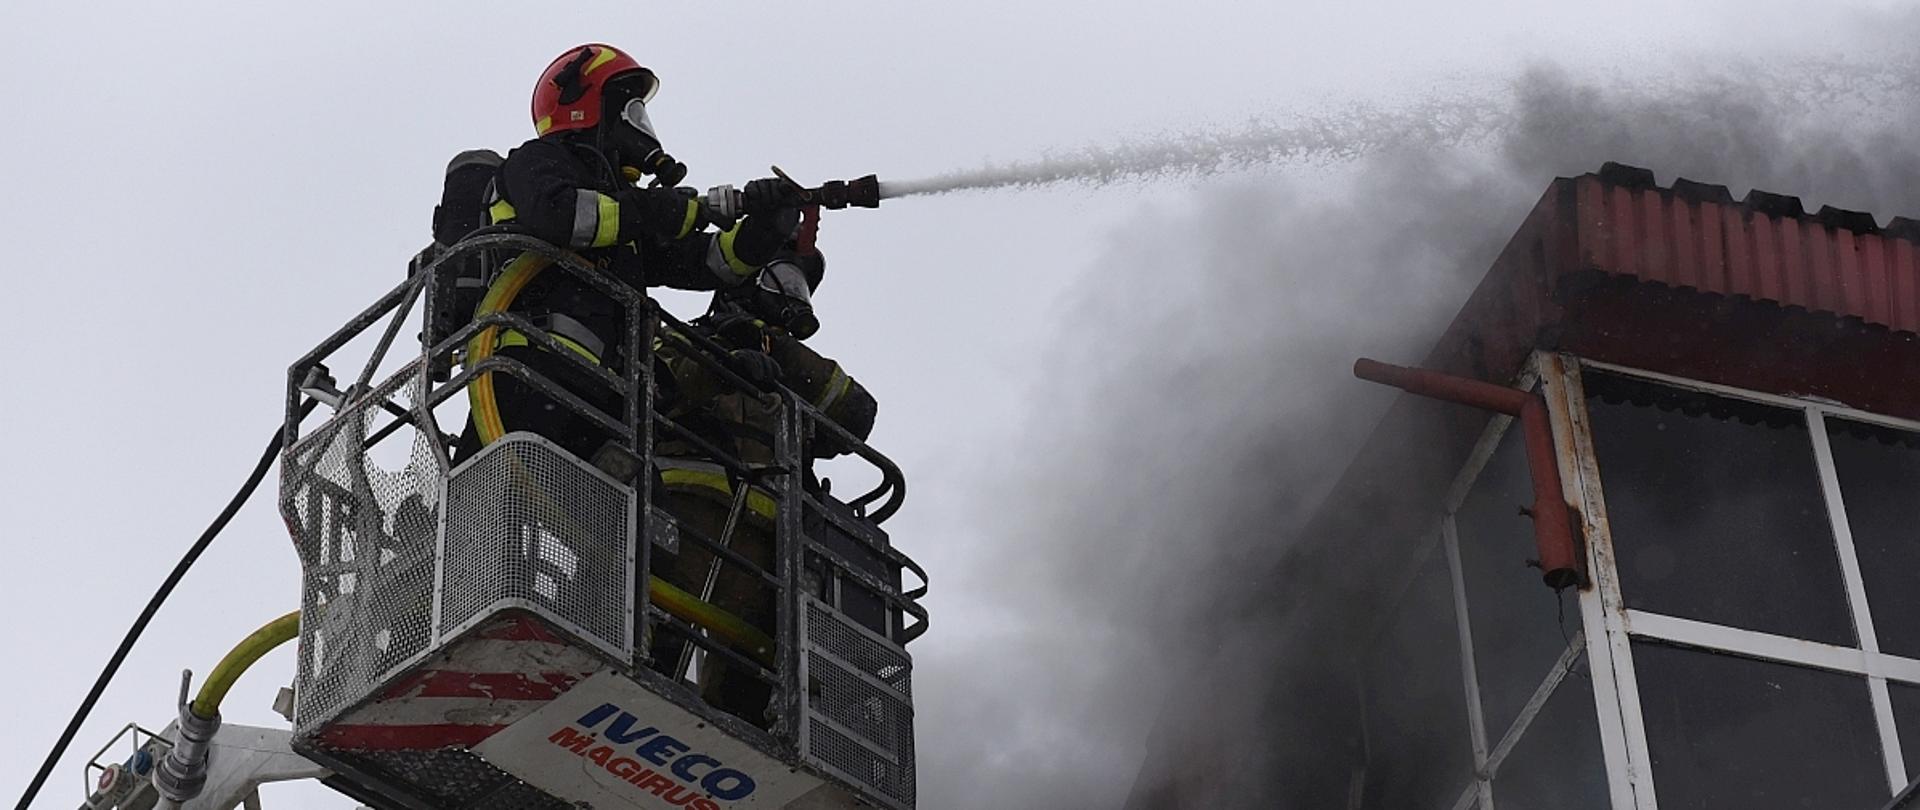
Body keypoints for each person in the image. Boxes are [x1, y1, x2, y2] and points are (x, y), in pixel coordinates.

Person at [451, 43, 804, 464]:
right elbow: (560, 216)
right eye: (630, 110)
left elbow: (710, 262)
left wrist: (765, 227)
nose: (639, 126)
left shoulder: (625, 219)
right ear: (586, 106)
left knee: (615, 504)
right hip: (533, 368)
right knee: (495, 497)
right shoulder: (538, 160)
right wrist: (656, 209)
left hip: (609, 397)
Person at [649, 214, 879, 724]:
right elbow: (657, 391)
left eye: (799, 287)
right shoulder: (680, 339)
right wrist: (719, 357)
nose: (792, 297)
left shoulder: (788, 365)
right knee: (656, 639)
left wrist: (779, 353)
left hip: (771, 546)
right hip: (684, 518)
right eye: (783, 282)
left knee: (747, 683)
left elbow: (857, 413)